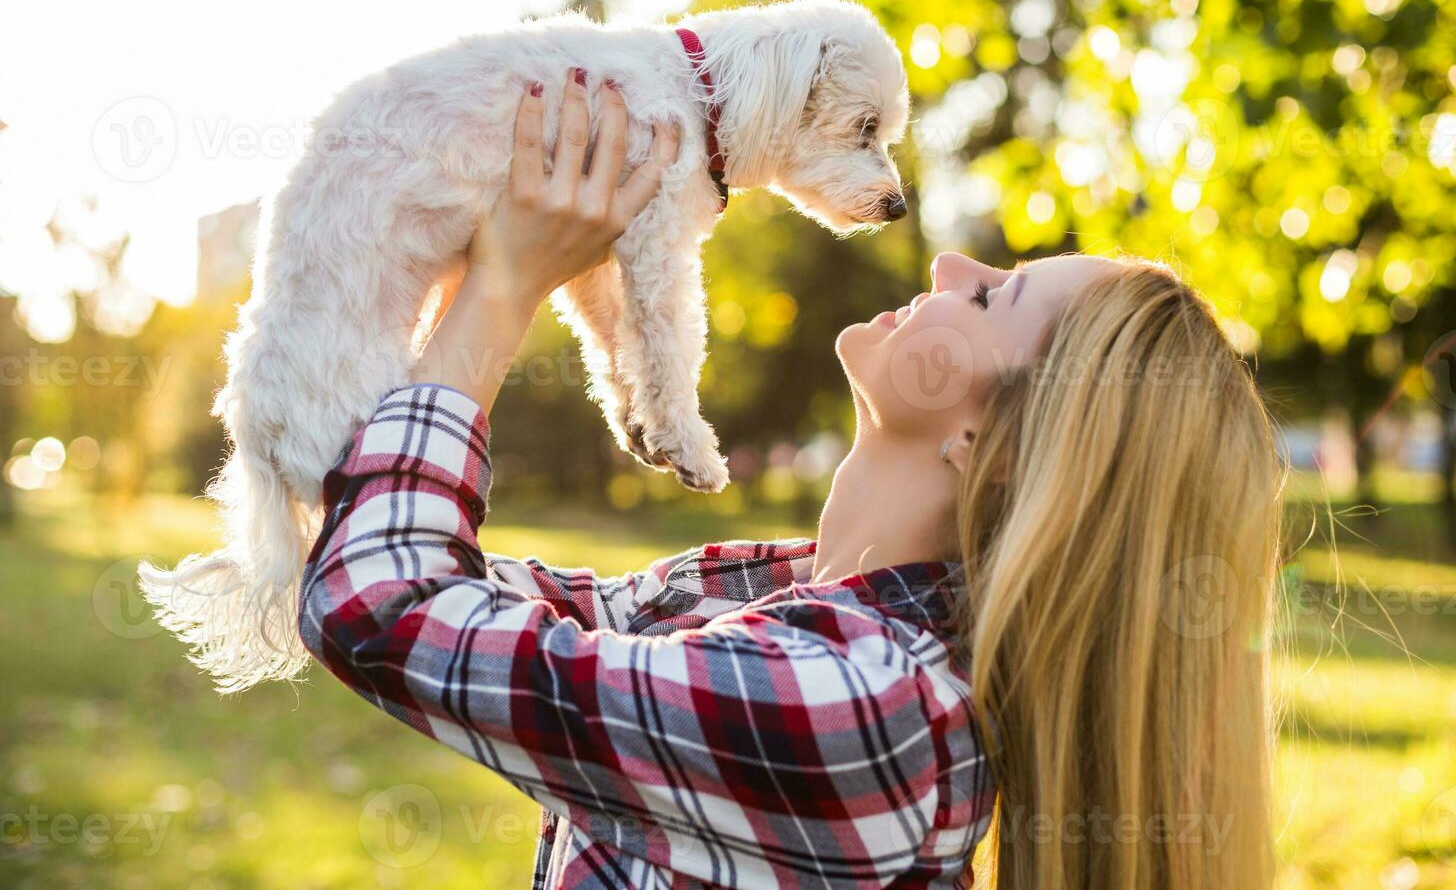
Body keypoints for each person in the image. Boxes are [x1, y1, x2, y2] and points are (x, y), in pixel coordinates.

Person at [298, 69, 1281, 889]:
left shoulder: (865, 705)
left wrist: (508, 287)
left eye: (991, 296)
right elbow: (407, 568)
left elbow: (379, 603)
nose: (945, 263)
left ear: (996, 444)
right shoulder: (777, 604)